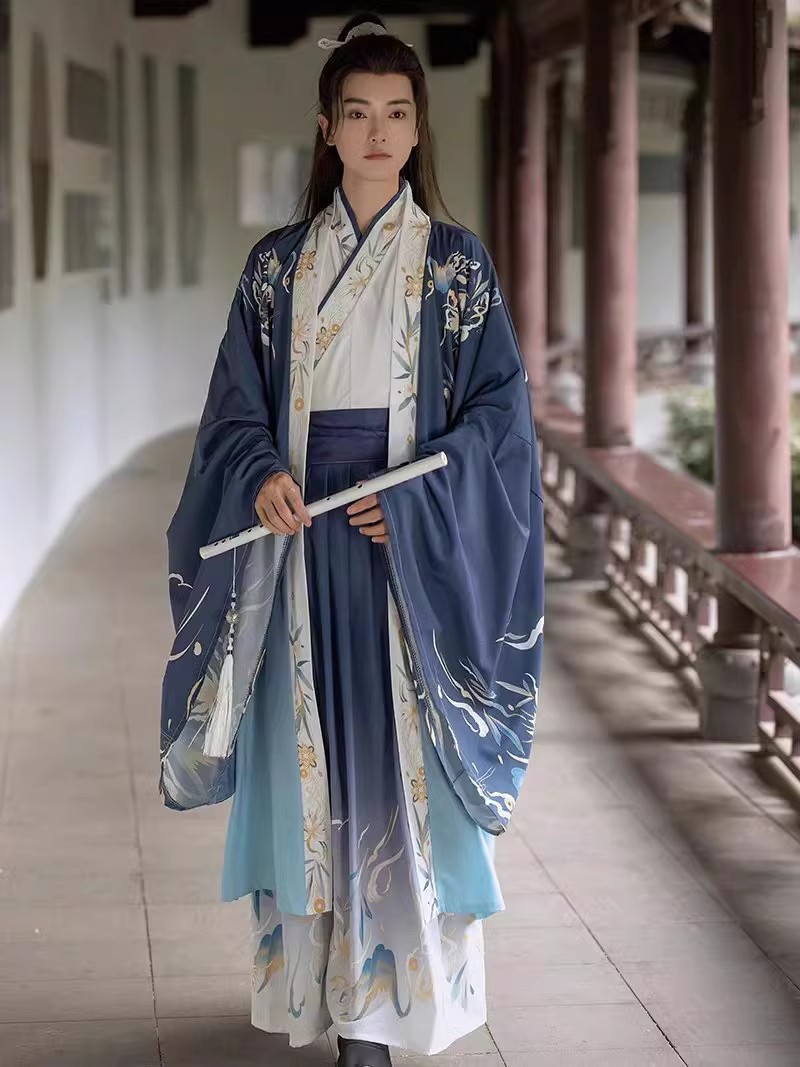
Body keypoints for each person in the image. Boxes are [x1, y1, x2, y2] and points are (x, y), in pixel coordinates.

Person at [159, 12, 545, 1067]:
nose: (378, 133)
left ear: (418, 129)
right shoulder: (276, 268)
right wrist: (261, 472)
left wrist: (418, 499)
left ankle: (385, 1006)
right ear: (326, 127)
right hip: (299, 541)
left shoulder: (456, 267)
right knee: (311, 762)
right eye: (358, 113)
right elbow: (233, 407)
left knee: (392, 764)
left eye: (397, 113)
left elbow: (501, 421)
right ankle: (323, 997)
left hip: (403, 546)